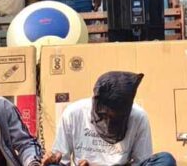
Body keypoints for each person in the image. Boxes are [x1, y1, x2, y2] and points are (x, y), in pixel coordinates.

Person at [42, 71, 176, 166]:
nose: (109, 122)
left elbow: (141, 162)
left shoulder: (139, 117)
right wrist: (52, 159)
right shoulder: (73, 113)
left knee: (166, 160)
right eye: (105, 116)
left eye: (116, 118)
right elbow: (62, 160)